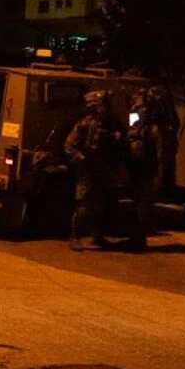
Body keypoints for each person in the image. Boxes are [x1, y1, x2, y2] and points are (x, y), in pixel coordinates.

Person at [64, 90, 120, 251]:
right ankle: (75, 237)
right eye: (103, 106)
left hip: (103, 170)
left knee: (101, 205)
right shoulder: (85, 125)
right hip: (88, 171)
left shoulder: (110, 125)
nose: (106, 109)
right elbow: (69, 145)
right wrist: (81, 158)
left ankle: (97, 236)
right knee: (84, 205)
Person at [122, 88, 169, 251]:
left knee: (143, 206)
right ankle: (135, 238)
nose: (138, 111)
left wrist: (159, 177)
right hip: (138, 171)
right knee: (137, 204)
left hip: (148, 173)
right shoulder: (137, 126)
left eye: (142, 108)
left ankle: (139, 239)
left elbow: (162, 155)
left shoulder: (155, 130)